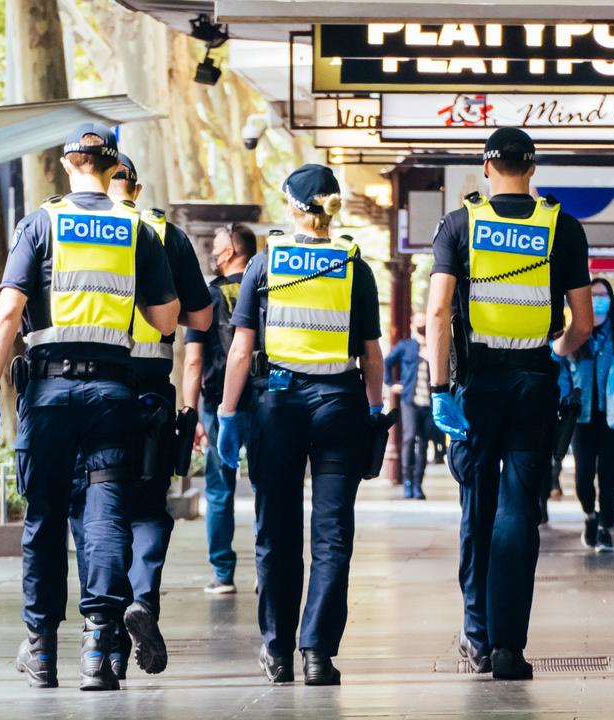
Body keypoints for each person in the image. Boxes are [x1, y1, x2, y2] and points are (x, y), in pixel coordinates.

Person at [0, 123, 180, 691]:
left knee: (43, 515)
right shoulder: (137, 229)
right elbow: (166, 321)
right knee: (106, 512)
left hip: (48, 390)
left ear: (66, 164)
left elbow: (8, 311)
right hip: (114, 391)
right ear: (114, 169)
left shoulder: (40, 223)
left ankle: (41, 651)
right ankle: (98, 645)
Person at [426, 127, 593, 680]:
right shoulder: (561, 228)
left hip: (477, 383)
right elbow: (583, 324)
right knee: (520, 513)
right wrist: (553, 350)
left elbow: (438, 313)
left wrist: (439, 390)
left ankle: (477, 637)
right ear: (533, 167)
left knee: (477, 509)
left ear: (487, 167)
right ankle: (509, 647)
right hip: (533, 382)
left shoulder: (460, 224)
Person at [216, 164, 384, 685]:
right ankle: (317, 654)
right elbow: (372, 355)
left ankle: (279, 651)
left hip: (278, 406)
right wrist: (376, 412)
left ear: (292, 207)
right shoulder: (356, 266)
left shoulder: (265, 265)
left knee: (277, 532)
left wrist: (226, 414)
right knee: (333, 535)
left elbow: (242, 351)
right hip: (340, 405)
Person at [64, 153, 212, 679]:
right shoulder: (161, 234)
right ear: (134, 185)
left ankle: (101, 629)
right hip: (150, 389)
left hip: (83, 386)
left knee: (92, 509)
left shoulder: (63, 225)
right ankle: (141, 603)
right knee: (148, 506)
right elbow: (201, 317)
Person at [184, 222, 257, 594]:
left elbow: (193, 361)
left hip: (216, 406)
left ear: (229, 252)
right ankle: (268, 569)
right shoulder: (267, 290)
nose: (212, 252)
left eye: (216, 245)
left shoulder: (205, 297)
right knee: (268, 489)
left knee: (219, 490)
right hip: (263, 403)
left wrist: (191, 410)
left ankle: (223, 573)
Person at [556, 278, 614, 552]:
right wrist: (564, 398)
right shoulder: (574, 335)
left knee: (609, 473)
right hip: (581, 416)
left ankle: (606, 526)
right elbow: (561, 370)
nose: (598, 300)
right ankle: (590, 515)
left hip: (612, 415)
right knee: (584, 474)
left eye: (603, 295)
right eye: (593, 295)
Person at [384, 317, 436, 499]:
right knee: (408, 438)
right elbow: (387, 362)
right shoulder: (406, 346)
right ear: (413, 325)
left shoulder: (434, 346)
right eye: (419, 321)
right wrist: (391, 384)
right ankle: (407, 483)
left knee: (423, 443)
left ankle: (418, 485)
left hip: (429, 402)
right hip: (409, 401)